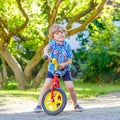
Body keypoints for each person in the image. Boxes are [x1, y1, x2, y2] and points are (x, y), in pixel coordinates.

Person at [34, 24, 83, 112]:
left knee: (70, 87)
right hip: (53, 69)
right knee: (47, 85)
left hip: (64, 70)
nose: (60, 34)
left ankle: (76, 105)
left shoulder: (67, 45)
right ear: (53, 36)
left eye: (62, 32)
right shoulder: (52, 43)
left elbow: (70, 60)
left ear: (65, 34)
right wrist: (46, 55)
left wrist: (64, 64)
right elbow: (46, 48)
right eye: (57, 33)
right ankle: (39, 105)